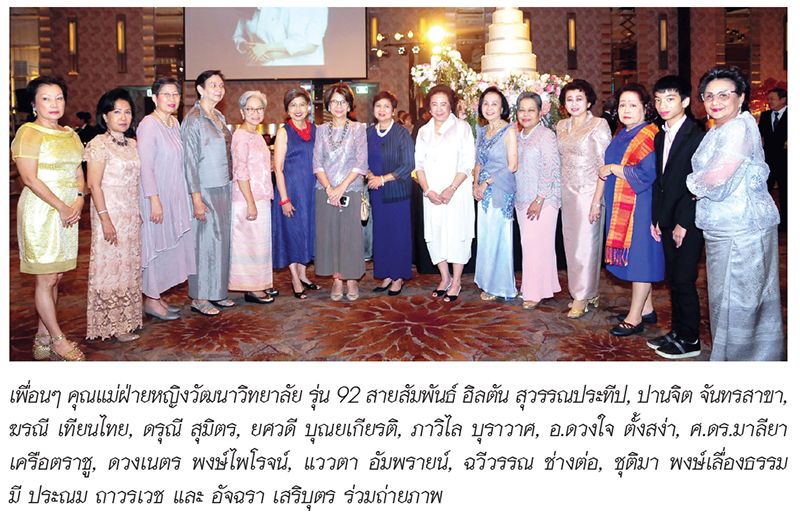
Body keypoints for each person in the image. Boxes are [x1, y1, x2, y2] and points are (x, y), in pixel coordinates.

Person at [687, 65, 784, 361]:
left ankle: (746, 365)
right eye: (708, 96)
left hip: (744, 227)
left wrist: (690, 184)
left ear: (741, 97)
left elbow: (717, 178)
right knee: (725, 299)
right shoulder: (719, 129)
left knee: (741, 300)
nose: (715, 102)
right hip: (723, 225)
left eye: (723, 95)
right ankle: (731, 356)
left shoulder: (740, 128)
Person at [11, 76, 86, 360]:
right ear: (34, 104)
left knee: (56, 276)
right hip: (41, 211)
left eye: (59, 98)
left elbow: (78, 173)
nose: (54, 104)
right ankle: (58, 340)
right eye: (46, 98)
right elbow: (29, 179)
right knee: (45, 278)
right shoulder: (29, 133)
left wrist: (79, 199)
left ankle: (42, 336)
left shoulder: (70, 134)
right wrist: (61, 206)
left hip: (68, 211)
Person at [598, 83, 664, 337]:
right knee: (637, 257)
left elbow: (647, 173)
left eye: (633, 105)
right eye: (622, 105)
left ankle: (634, 318)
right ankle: (646, 308)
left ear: (645, 108)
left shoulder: (649, 135)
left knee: (640, 260)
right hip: (622, 205)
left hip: (641, 206)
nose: (626, 109)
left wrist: (614, 169)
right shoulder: (623, 132)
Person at [648, 75, 705, 358]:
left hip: (687, 220)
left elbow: (698, 183)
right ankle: (678, 331)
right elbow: (661, 182)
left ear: (684, 101)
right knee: (674, 279)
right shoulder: (660, 135)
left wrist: (684, 221)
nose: (662, 105)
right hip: (667, 218)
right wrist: (656, 218)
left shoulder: (697, 136)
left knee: (684, 279)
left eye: (670, 99)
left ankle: (691, 339)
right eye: (658, 100)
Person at [84, 88, 143, 343]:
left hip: (130, 214)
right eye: (117, 112)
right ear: (105, 116)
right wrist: (105, 219)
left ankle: (127, 320)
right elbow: (93, 185)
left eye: (127, 112)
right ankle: (112, 324)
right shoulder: (98, 144)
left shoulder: (133, 144)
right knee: (110, 267)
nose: (123, 117)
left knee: (128, 266)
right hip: (109, 213)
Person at [137, 77, 195, 321]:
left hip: (174, 194)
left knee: (170, 245)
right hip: (156, 196)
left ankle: (157, 296)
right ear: (155, 98)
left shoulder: (173, 122)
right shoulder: (148, 125)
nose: (172, 99)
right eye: (166, 94)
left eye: (175, 94)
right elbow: (146, 166)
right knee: (155, 245)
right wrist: (154, 200)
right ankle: (151, 299)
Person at [414, 85, 476, 302]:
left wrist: (451, 188)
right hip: (432, 194)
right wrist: (427, 190)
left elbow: (468, 163)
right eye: (434, 104)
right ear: (429, 107)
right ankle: (444, 277)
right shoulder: (423, 131)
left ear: (451, 105)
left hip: (456, 191)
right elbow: (419, 165)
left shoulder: (463, 128)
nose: (439, 109)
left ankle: (456, 280)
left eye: (443, 104)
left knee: (458, 234)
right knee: (436, 233)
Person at [556, 79, 612, 318]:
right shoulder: (561, 126)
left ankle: (581, 296)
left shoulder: (598, 125)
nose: (574, 103)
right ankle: (589, 292)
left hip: (590, 192)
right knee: (572, 246)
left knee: (586, 246)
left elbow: (604, 165)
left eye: (579, 99)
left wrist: (597, 200)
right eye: (569, 99)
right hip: (567, 193)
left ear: (589, 102)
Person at [181, 70, 234, 316]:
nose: (219, 89)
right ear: (200, 89)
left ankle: (216, 292)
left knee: (220, 242)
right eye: (213, 85)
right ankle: (200, 297)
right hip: (204, 190)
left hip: (223, 186)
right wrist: (196, 198)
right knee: (203, 244)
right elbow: (189, 162)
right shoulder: (193, 119)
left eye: (221, 85)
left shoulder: (219, 116)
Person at [313, 83, 369, 301]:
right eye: (334, 101)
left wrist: (341, 188)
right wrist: (330, 189)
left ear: (349, 105)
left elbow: (361, 163)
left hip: (350, 190)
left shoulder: (358, 129)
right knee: (330, 235)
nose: (338, 106)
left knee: (350, 236)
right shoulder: (321, 130)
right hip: (325, 190)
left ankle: (352, 278)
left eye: (343, 102)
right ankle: (337, 279)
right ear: (328, 105)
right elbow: (317, 163)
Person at [229, 91, 277, 304]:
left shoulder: (256, 135)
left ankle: (260, 283)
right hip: (247, 199)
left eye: (259, 109)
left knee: (260, 245)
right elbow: (240, 171)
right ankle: (252, 289)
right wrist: (250, 203)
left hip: (261, 196)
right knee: (249, 246)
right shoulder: (240, 136)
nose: (255, 113)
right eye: (250, 109)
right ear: (242, 112)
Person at [514, 92, 561, 309]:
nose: (525, 114)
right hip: (522, 198)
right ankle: (540, 286)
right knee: (531, 245)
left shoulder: (546, 135)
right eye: (521, 110)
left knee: (536, 245)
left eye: (530, 110)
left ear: (540, 112)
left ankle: (534, 292)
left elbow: (551, 168)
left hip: (543, 199)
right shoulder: (518, 136)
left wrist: (540, 198)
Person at [366, 91, 415, 295]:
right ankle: (386, 274)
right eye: (378, 106)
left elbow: (408, 165)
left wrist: (383, 179)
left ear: (393, 111)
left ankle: (398, 277)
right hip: (377, 193)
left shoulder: (402, 133)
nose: (382, 110)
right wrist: (369, 174)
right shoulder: (368, 133)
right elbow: (361, 158)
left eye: (387, 106)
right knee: (381, 235)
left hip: (397, 193)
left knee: (398, 235)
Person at [272, 87, 319, 299]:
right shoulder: (284, 132)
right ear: (287, 109)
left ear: (308, 107)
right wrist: (284, 199)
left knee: (306, 232)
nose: (298, 109)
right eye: (293, 105)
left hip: (310, 190)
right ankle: (294, 278)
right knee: (291, 233)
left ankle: (303, 274)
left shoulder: (315, 129)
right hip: (290, 191)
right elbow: (278, 168)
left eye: (302, 104)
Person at [473, 86, 518, 300]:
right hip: (482, 192)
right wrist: (475, 184)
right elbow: (478, 162)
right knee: (486, 238)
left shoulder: (509, 131)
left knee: (499, 239)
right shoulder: (482, 131)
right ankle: (487, 282)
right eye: (486, 103)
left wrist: (486, 183)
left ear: (502, 108)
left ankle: (500, 287)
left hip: (500, 189)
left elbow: (513, 165)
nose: (489, 108)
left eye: (494, 104)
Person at [232, 7, 328, 66]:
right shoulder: (252, 9)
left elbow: (308, 44)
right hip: (256, 66)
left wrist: (269, 53)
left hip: (299, 67)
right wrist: (244, 45)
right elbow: (238, 35)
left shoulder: (314, 8)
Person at [757, 87, 787, 231]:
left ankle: (786, 223)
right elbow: (760, 136)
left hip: (786, 161)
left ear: (783, 100)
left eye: (772, 99)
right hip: (768, 161)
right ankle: (765, 220)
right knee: (764, 191)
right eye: (768, 99)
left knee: (786, 192)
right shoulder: (765, 115)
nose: (769, 102)